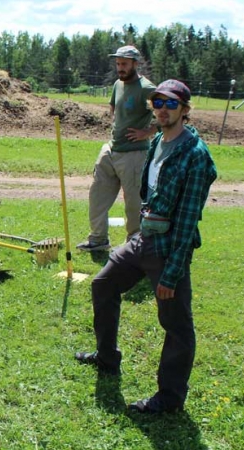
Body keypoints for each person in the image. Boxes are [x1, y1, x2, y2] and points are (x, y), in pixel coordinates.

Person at [75, 80, 217, 414]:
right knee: (103, 284)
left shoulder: (195, 156)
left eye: (171, 104)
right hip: (143, 239)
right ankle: (107, 357)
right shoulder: (156, 144)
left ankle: (170, 397)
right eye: (158, 103)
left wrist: (172, 272)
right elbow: (147, 195)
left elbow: (187, 219)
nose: (163, 109)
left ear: (185, 109)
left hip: (169, 249)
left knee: (177, 325)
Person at [77, 45, 157, 252]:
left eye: (124, 64)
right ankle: (98, 239)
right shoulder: (117, 85)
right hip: (111, 150)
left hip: (135, 154)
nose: (120, 68)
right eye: (118, 64)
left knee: (133, 203)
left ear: (135, 64)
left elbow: (172, 112)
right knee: (97, 195)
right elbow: (114, 107)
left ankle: (134, 244)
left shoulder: (147, 88)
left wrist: (147, 132)